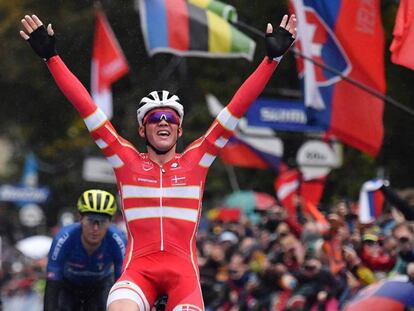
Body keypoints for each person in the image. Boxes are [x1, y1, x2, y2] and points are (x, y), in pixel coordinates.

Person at [20, 13, 296, 311]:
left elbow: (235, 109)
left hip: (184, 278)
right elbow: (86, 107)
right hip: (139, 273)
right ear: (143, 129)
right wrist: (52, 58)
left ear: (179, 130)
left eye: (170, 119)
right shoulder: (125, 160)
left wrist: (272, 61)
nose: (163, 122)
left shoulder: (198, 160)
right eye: (154, 118)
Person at [43, 189, 126, 311]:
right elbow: (52, 284)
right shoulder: (64, 238)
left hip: (100, 286)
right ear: (80, 219)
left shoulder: (118, 239)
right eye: (91, 221)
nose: (95, 228)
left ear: (110, 222)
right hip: (68, 287)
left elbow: (123, 283)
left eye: (102, 222)